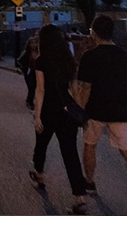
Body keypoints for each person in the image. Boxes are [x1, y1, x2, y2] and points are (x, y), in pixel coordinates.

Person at [30, 24, 89, 214]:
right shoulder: (69, 59)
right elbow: (76, 90)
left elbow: (41, 90)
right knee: (70, 153)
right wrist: (79, 113)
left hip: (48, 110)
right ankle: (79, 196)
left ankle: (39, 175)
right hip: (66, 113)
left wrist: (37, 115)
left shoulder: (41, 60)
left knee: (41, 145)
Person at [76, 15, 126, 192]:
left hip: (95, 111)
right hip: (121, 110)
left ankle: (89, 182)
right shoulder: (124, 55)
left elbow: (85, 88)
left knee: (90, 145)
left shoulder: (89, 56)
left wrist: (80, 112)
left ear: (94, 33)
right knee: (126, 148)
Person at [17, 35, 40, 110]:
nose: (33, 45)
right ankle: (30, 102)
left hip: (37, 72)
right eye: (32, 43)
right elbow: (19, 61)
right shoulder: (26, 53)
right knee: (31, 87)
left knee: (36, 86)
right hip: (29, 72)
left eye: (35, 43)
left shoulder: (39, 52)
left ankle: (29, 99)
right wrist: (22, 69)